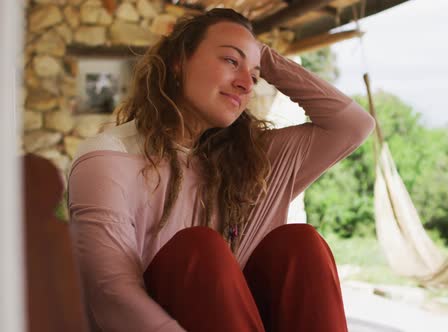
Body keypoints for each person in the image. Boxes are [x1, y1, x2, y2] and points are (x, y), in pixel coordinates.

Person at [68, 8, 375, 332]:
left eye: (254, 75)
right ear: (179, 61)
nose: (246, 84)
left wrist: (260, 54)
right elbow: (111, 295)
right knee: (200, 249)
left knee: (300, 244)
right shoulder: (108, 158)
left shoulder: (254, 159)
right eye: (230, 60)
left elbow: (353, 126)